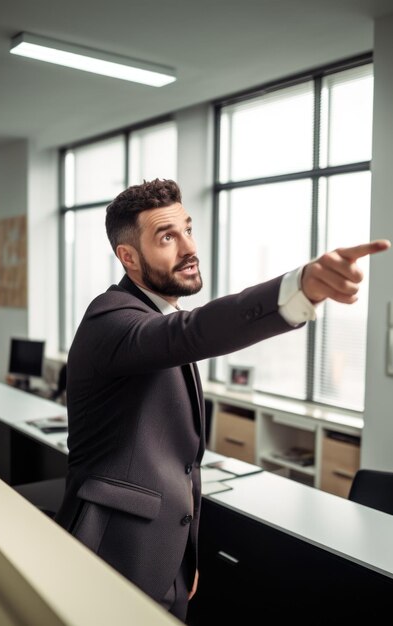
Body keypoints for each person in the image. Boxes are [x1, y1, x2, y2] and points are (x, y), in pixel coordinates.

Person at [54, 178, 390, 622]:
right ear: (128, 257)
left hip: (164, 555)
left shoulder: (159, 313)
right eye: (167, 237)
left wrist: (183, 556)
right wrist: (300, 287)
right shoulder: (110, 317)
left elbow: (181, 462)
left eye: (187, 229)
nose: (189, 247)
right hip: (115, 551)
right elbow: (192, 332)